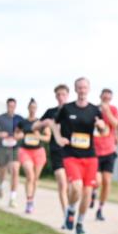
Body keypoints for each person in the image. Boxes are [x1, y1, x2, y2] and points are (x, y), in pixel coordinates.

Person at [38, 77, 107, 234]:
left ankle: (80, 223)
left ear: (88, 89)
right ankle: (70, 210)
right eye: (79, 88)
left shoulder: (94, 110)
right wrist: (58, 138)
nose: (82, 90)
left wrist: (102, 127)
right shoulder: (67, 109)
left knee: (88, 192)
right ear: (75, 90)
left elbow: (103, 131)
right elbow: (53, 123)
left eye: (85, 88)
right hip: (71, 155)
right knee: (76, 187)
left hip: (90, 156)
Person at [40, 84, 71, 224]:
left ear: (68, 95)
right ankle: (66, 216)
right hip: (56, 150)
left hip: (72, 151)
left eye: (63, 94)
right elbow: (37, 126)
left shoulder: (74, 110)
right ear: (55, 96)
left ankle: (71, 210)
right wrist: (45, 129)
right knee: (62, 183)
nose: (61, 97)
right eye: (58, 94)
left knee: (72, 186)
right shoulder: (50, 112)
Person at [0, 98, 24, 207]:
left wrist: (18, 136)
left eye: (13, 106)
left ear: (15, 106)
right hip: (2, 148)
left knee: (15, 170)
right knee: (2, 172)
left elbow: (24, 132)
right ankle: (0, 186)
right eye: (9, 106)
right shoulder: (0, 118)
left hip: (14, 148)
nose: (11, 108)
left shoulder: (19, 119)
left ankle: (12, 198)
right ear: (7, 106)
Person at [17, 98, 50, 214]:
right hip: (25, 151)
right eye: (31, 107)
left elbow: (48, 137)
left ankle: (31, 200)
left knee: (35, 179)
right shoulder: (23, 122)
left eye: (34, 108)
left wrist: (38, 136)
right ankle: (29, 201)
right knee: (30, 176)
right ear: (28, 108)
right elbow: (16, 134)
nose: (32, 110)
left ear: (36, 109)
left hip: (38, 152)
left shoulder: (41, 122)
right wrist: (19, 135)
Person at [93, 88, 118, 221]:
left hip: (109, 150)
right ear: (100, 97)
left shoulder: (114, 110)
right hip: (94, 150)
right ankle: (93, 192)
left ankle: (100, 208)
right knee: (97, 181)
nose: (106, 100)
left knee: (107, 181)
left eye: (108, 99)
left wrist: (107, 111)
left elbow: (116, 125)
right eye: (104, 98)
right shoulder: (93, 109)